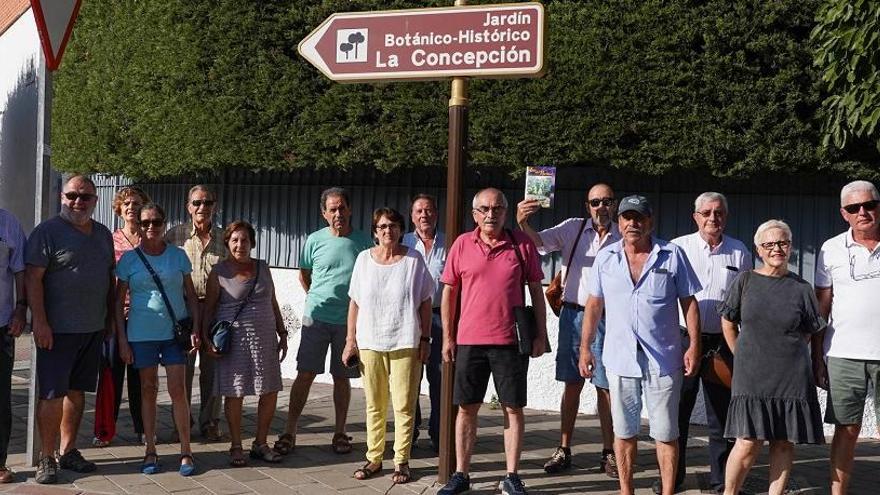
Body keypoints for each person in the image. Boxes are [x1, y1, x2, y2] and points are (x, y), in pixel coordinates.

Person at [578, 195, 702, 495]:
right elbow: (594, 305)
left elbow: (689, 302)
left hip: (663, 360)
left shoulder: (672, 255)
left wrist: (694, 345)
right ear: (618, 222)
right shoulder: (606, 258)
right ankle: (626, 490)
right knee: (624, 432)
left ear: (650, 221)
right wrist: (585, 347)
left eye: (639, 218)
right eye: (626, 218)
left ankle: (669, 491)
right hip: (619, 359)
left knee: (665, 433)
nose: (633, 223)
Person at [437, 188, 547, 495]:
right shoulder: (461, 244)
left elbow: (537, 291)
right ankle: (461, 474)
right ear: (474, 214)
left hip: (510, 341)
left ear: (505, 212)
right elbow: (449, 292)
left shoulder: (521, 243)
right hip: (469, 340)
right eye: (484, 208)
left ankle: (512, 475)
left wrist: (541, 334)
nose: (491, 214)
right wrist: (447, 336)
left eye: (497, 208)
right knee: (466, 408)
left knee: (513, 408)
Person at [516, 183, 621, 477]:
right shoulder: (573, 228)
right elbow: (537, 243)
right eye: (595, 202)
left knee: (605, 387)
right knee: (571, 384)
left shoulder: (624, 233)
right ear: (587, 206)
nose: (601, 207)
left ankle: (609, 451)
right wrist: (523, 221)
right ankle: (564, 448)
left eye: (607, 202)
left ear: (615, 204)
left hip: (610, 318)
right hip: (574, 315)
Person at [719, 219, 824, 495]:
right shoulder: (745, 281)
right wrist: (740, 353)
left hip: (791, 376)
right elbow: (728, 322)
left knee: (783, 442)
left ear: (790, 247)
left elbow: (810, 331)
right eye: (769, 244)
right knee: (747, 441)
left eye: (783, 243)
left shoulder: (802, 288)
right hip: (751, 374)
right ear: (759, 249)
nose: (777, 248)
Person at [25, 175, 115, 484]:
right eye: (72, 195)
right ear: (62, 197)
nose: (78, 202)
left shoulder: (103, 235)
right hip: (56, 330)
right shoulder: (47, 232)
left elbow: (109, 280)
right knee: (52, 393)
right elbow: (33, 279)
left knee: (77, 392)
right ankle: (46, 457)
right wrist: (39, 321)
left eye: (85, 196)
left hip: (92, 329)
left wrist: (109, 321)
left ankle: (68, 449)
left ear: (95, 200)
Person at [664, 192, 752, 494]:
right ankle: (672, 480)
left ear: (725, 216)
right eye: (706, 212)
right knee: (677, 414)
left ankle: (721, 482)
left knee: (722, 416)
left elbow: (746, 301)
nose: (712, 218)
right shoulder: (678, 247)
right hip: (683, 340)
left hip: (722, 342)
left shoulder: (739, 252)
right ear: (696, 217)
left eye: (718, 213)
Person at [276, 187, 373, 455]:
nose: (338, 213)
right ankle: (289, 431)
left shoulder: (364, 242)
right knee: (305, 374)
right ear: (324, 213)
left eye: (342, 208)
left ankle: (340, 432)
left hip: (348, 323)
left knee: (342, 377)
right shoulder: (313, 240)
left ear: (350, 209)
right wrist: (317, 297)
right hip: (315, 319)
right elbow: (304, 275)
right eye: (332, 209)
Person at [342, 207, 434, 484]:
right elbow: (354, 302)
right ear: (375, 232)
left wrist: (425, 339)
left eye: (393, 225)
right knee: (375, 404)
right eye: (382, 226)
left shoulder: (414, 260)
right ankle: (374, 457)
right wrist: (351, 341)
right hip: (370, 342)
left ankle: (401, 460)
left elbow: (426, 300)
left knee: (405, 405)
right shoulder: (363, 260)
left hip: (405, 339)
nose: (387, 231)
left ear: (400, 230)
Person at [116, 203, 201, 476]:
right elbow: (117, 304)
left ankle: (186, 450)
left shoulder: (177, 256)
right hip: (141, 334)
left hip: (173, 335)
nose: (151, 227)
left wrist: (196, 327)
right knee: (148, 390)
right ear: (138, 225)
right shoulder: (129, 260)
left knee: (179, 391)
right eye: (145, 223)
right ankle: (150, 448)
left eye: (156, 222)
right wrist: (122, 340)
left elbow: (191, 296)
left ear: (164, 223)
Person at [813, 180, 880, 495]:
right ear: (844, 213)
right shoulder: (830, 248)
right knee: (847, 428)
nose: (863, 212)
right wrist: (816, 356)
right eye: (854, 208)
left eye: (869, 205)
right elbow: (821, 307)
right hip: (843, 353)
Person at [202, 221, 287, 467]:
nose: (240, 245)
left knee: (269, 389)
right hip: (234, 340)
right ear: (228, 243)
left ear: (252, 243)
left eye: (245, 240)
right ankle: (236, 445)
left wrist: (282, 331)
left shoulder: (263, 267)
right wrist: (207, 339)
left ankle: (260, 443)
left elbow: (273, 301)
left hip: (265, 337)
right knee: (235, 391)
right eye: (235, 240)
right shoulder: (219, 272)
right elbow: (209, 309)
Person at [166, 185, 228, 442]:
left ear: (215, 206)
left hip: (215, 309)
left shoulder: (225, 239)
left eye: (208, 202)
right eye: (197, 202)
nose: (202, 207)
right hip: (184, 310)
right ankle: (182, 420)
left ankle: (210, 422)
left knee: (213, 372)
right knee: (183, 370)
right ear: (188, 206)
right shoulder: (174, 237)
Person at [93, 186, 151, 448]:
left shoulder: (150, 239)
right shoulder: (109, 239)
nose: (131, 208)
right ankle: (105, 430)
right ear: (119, 208)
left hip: (144, 314)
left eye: (137, 204)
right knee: (111, 374)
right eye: (127, 204)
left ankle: (143, 428)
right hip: (115, 315)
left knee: (140, 374)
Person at [401, 194, 446, 452]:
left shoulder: (450, 242)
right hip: (410, 317)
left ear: (436, 213)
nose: (424, 215)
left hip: (440, 317)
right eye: (419, 211)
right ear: (412, 215)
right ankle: (411, 432)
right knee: (409, 379)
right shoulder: (404, 242)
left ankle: (439, 434)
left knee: (439, 379)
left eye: (428, 210)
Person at [0, 208, 26, 484]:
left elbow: (20, 271)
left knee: (0, 399)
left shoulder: (8, 223)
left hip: (1, 325)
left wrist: (21, 309)